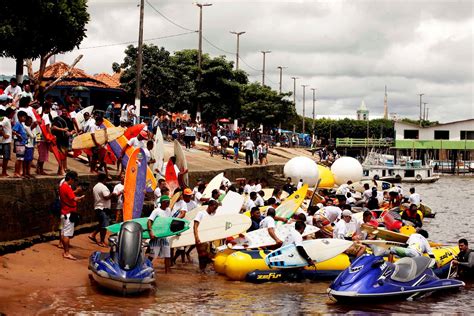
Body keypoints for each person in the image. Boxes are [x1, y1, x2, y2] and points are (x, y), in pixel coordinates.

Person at [59, 171, 85, 260]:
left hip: (64, 212)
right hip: (68, 213)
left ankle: (65, 251)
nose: (73, 182)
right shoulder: (67, 187)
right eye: (73, 180)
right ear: (70, 179)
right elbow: (74, 198)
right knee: (67, 234)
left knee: (63, 232)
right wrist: (80, 198)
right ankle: (67, 252)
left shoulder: (62, 186)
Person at [88, 173, 116, 247]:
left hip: (97, 207)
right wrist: (113, 194)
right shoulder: (103, 187)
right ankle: (102, 241)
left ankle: (93, 235)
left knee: (101, 223)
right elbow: (106, 197)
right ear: (104, 179)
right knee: (104, 225)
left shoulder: (95, 186)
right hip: (103, 208)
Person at [148, 195, 173, 273]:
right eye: (167, 202)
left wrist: (175, 231)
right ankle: (145, 267)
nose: (168, 203)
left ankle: (167, 272)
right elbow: (149, 221)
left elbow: (170, 221)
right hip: (156, 235)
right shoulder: (156, 211)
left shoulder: (168, 210)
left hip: (165, 236)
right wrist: (151, 232)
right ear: (162, 203)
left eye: (169, 202)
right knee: (153, 255)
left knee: (168, 255)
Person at [194, 200, 219, 272]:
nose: (215, 210)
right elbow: (195, 226)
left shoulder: (211, 215)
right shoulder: (201, 213)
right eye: (214, 208)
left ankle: (202, 271)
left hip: (207, 238)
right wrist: (197, 238)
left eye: (216, 208)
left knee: (206, 255)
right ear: (209, 206)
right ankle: (201, 271)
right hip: (200, 237)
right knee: (202, 255)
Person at [12, 110, 28, 178]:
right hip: (19, 143)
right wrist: (19, 135)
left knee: (21, 158)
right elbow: (13, 131)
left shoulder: (21, 124)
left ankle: (18, 172)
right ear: (19, 117)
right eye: (23, 117)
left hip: (22, 143)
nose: (24, 118)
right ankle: (16, 172)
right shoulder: (18, 124)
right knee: (19, 158)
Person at [0, 108, 14, 177]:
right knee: (5, 158)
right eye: (13, 113)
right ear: (10, 113)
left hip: (6, 141)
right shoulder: (5, 119)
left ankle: (4, 172)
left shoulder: (7, 119)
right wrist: (4, 134)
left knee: (5, 158)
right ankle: (3, 172)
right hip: (5, 141)